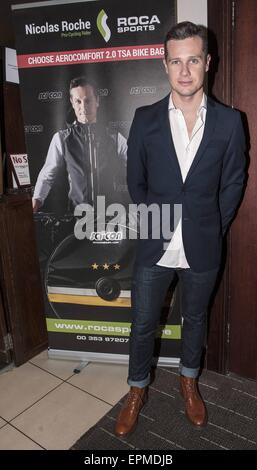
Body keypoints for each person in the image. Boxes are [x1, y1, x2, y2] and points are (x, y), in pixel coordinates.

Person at [115, 21, 246, 437]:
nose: (185, 71)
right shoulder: (144, 119)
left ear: (207, 62)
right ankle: (137, 390)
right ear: (165, 64)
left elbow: (233, 184)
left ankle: (188, 380)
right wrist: (158, 222)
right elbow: (135, 183)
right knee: (142, 323)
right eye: (176, 61)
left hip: (204, 244)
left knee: (196, 317)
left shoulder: (230, 122)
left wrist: (209, 225)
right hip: (155, 243)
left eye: (193, 60)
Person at [32, 76, 128, 213]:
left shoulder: (115, 138)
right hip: (77, 218)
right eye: (78, 101)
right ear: (72, 102)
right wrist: (37, 200)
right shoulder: (61, 139)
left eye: (88, 100)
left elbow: (137, 167)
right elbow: (47, 175)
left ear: (97, 101)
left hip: (110, 215)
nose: (83, 107)